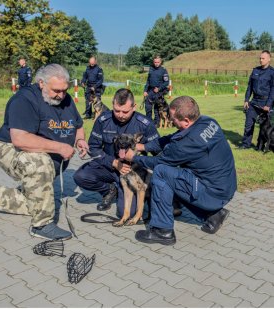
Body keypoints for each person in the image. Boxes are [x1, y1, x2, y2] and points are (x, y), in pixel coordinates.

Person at [0, 64, 89, 241]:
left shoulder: (65, 99)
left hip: (42, 155)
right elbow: (20, 139)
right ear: (41, 83)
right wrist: (59, 147)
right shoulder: (24, 99)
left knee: (37, 202)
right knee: (40, 163)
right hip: (8, 148)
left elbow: (78, 125)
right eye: (56, 90)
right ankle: (41, 225)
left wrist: (80, 140)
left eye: (64, 90)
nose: (61, 95)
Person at [123, 96, 237, 246]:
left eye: (173, 118)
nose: (170, 121)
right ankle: (214, 215)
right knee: (176, 178)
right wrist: (142, 147)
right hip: (225, 187)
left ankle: (162, 230)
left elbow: (158, 162)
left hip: (213, 194)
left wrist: (134, 158)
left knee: (162, 172)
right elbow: (171, 138)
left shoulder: (186, 144)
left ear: (186, 121)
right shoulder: (208, 122)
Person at [73, 88, 160, 218]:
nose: (120, 115)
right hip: (109, 166)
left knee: (127, 214)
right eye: (117, 110)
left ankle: (131, 194)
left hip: (133, 171)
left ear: (134, 107)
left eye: (125, 111)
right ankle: (109, 190)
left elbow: (158, 149)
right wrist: (113, 162)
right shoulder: (103, 120)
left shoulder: (145, 124)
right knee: (81, 175)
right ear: (112, 104)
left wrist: (142, 147)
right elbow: (94, 147)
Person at [240, 50, 274, 149]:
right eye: (260, 58)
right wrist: (246, 100)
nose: (261, 60)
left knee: (264, 127)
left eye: (263, 58)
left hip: (265, 103)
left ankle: (260, 145)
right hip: (254, 102)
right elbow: (250, 86)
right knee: (248, 124)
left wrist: (268, 104)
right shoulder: (255, 71)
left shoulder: (272, 73)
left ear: (269, 59)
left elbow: (273, 90)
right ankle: (246, 144)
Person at [144, 55, 169, 127]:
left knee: (156, 109)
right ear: (153, 62)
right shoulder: (151, 69)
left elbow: (166, 82)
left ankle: (156, 123)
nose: (156, 63)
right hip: (150, 91)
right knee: (148, 107)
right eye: (155, 62)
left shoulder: (163, 70)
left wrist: (159, 88)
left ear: (160, 62)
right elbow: (148, 81)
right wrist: (145, 90)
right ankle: (148, 122)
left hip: (158, 92)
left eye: (158, 62)